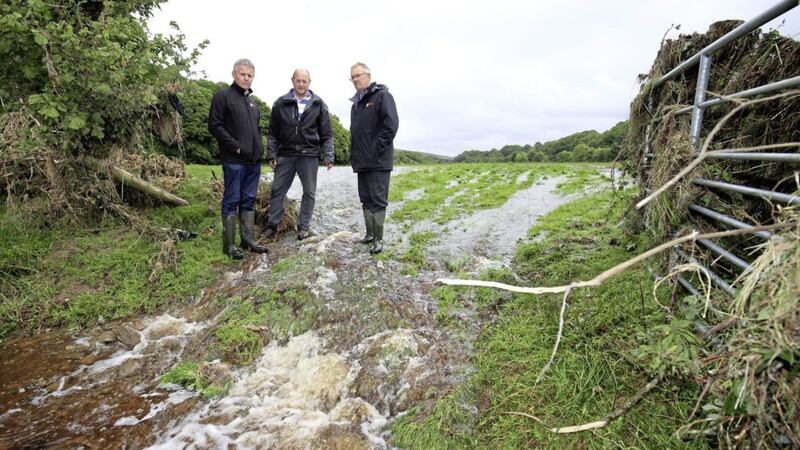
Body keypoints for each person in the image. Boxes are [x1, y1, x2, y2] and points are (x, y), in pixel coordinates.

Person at [263, 68, 334, 241]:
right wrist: (272, 154)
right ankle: (272, 225)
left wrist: (328, 155)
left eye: (304, 81)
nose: (301, 84)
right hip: (285, 154)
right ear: (292, 81)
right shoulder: (280, 103)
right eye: (298, 80)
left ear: (309, 82)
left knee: (309, 192)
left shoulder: (319, 104)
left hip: (309, 155)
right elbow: (272, 133)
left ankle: (303, 227)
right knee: (277, 191)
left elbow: (327, 134)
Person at [208, 58, 268, 259]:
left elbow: (256, 130)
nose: (246, 78)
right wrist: (235, 146)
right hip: (233, 160)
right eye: (243, 74)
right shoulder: (223, 96)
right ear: (234, 74)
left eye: (250, 75)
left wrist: (259, 151)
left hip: (253, 161)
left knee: (248, 200)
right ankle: (229, 245)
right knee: (231, 199)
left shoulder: (253, 103)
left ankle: (248, 240)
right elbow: (215, 126)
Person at [349, 62, 399, 254]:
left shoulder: (382, 96)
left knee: (378, 201)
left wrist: (376, 149)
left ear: (368, 76)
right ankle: (369, 235)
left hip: (378, 161)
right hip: (362, 163)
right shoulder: (356, 104)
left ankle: (379, 240)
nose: (355, 80)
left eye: (358, 76)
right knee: (366, 199)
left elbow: (391, 126)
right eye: (352, 77)